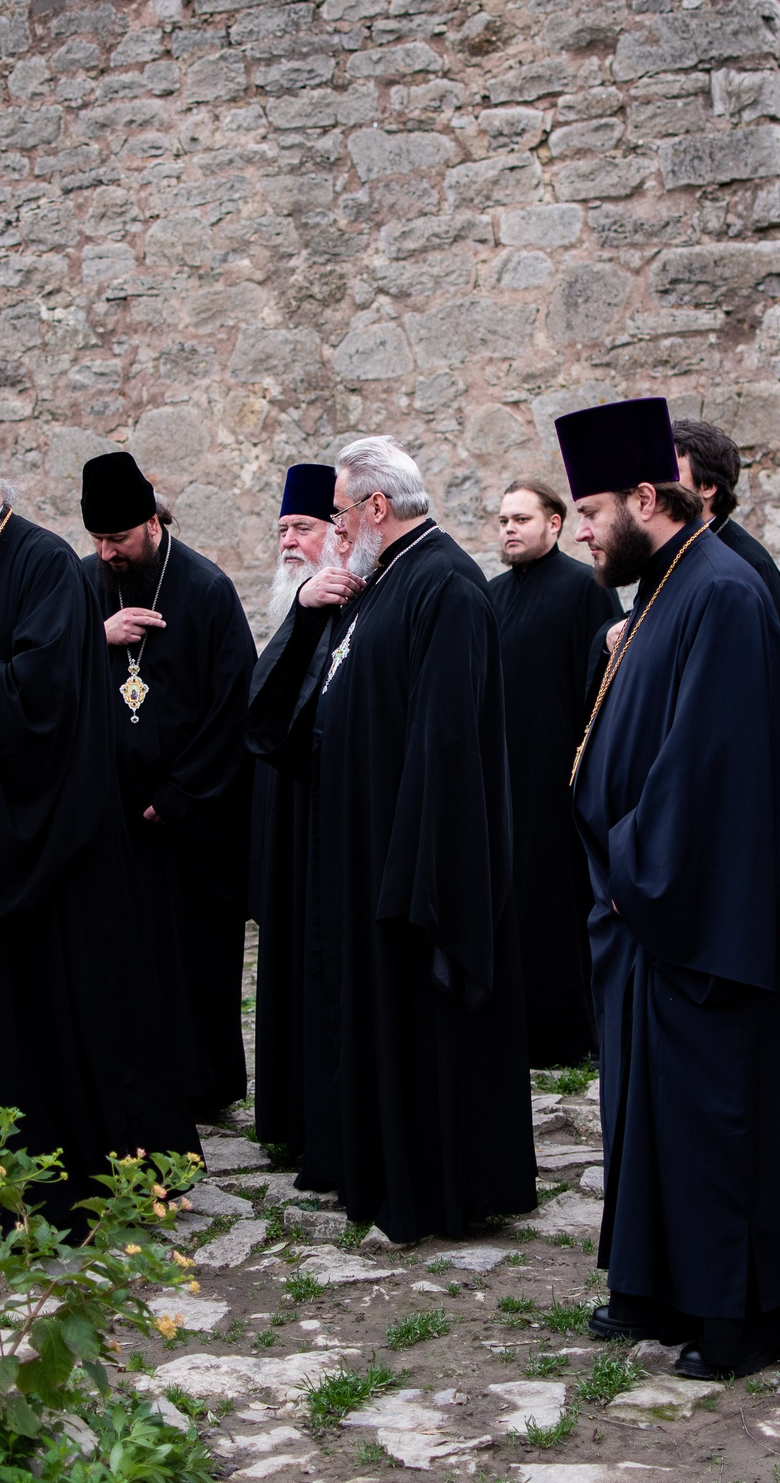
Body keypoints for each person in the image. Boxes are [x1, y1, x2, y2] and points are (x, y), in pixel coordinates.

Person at [556, 398, 780, 1381]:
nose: (581, 533)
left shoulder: (722, 591)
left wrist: (636, 871)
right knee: (649, 1110)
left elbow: (710, 768)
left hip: (695, 911)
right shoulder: (662, 589)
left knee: (714, 1116)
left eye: (592, 513)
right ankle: (656, 1284)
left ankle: (734, 1316)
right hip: (641, 906)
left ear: (646, 498)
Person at [0, 403, 197, 1196]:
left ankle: (61, 1177)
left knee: (44, 1015)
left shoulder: (43, 563)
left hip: (40, 847)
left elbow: (46, 694)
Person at [244, 436, 535, 1241]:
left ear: (376, 506)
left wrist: (411, 872)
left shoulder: (445, 584)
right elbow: (278, 719)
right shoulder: (377, 583)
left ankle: (427, 1187)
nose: (335, 530)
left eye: (339, 513)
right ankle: (370, 1166)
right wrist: (308, 612)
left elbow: (445, 746)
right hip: (361, 846)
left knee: (421, 1036)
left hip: (408, 862)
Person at [79, 451, 257, 1119]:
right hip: (112, 818)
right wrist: (94, 638)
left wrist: (181, 795)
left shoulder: (206, 589)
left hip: (189, 821)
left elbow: (234, 705)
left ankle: (203, 1089)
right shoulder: (83, 586)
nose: (108, 553)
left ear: (152, 523)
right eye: (98, 539)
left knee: (196, 957)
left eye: (119, 538)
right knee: (125, 960)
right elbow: (43, 676)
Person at [485, 478, 621, 1068]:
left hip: (560, 782)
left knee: (559, 907)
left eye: (521, 519)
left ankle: (571, 1033)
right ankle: (516, 1028)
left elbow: (605, 690)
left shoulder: (586, 589)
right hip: (504, 781)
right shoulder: (490, 594)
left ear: (555, 524)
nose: (509, 530)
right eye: (503, 521)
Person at [248, 463, 337, 1160]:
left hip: (324, 815)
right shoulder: (296, 603)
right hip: (284, 819)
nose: (288, 542)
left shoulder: (351, 601)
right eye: (282, 529)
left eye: (302, 528)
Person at [674, 418, 780, 625]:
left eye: (673, 472)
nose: (660, 483)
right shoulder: (671, 548)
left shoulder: (754, 564)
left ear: (708, 487)